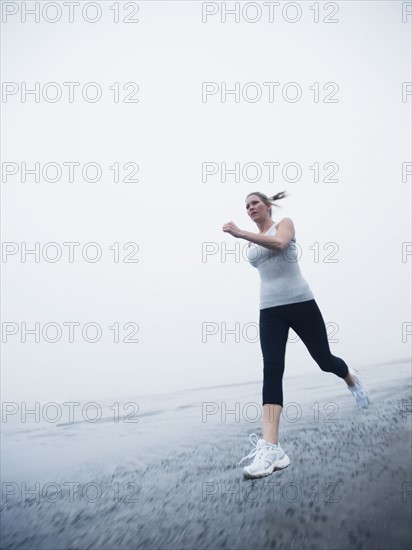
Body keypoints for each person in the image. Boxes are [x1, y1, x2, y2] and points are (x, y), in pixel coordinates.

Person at [222, 191, 371, 480]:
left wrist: (240, 233)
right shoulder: (252, 246)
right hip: (270, 310)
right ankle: (272, 448)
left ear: (267, 206)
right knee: (272, 368)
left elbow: (279, 244)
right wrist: (245, 235)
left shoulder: (284, 225)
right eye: (246, 206)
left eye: (254, 203)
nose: (250, 208)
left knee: (324, 360)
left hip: (301, 303)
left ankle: (350, 377)